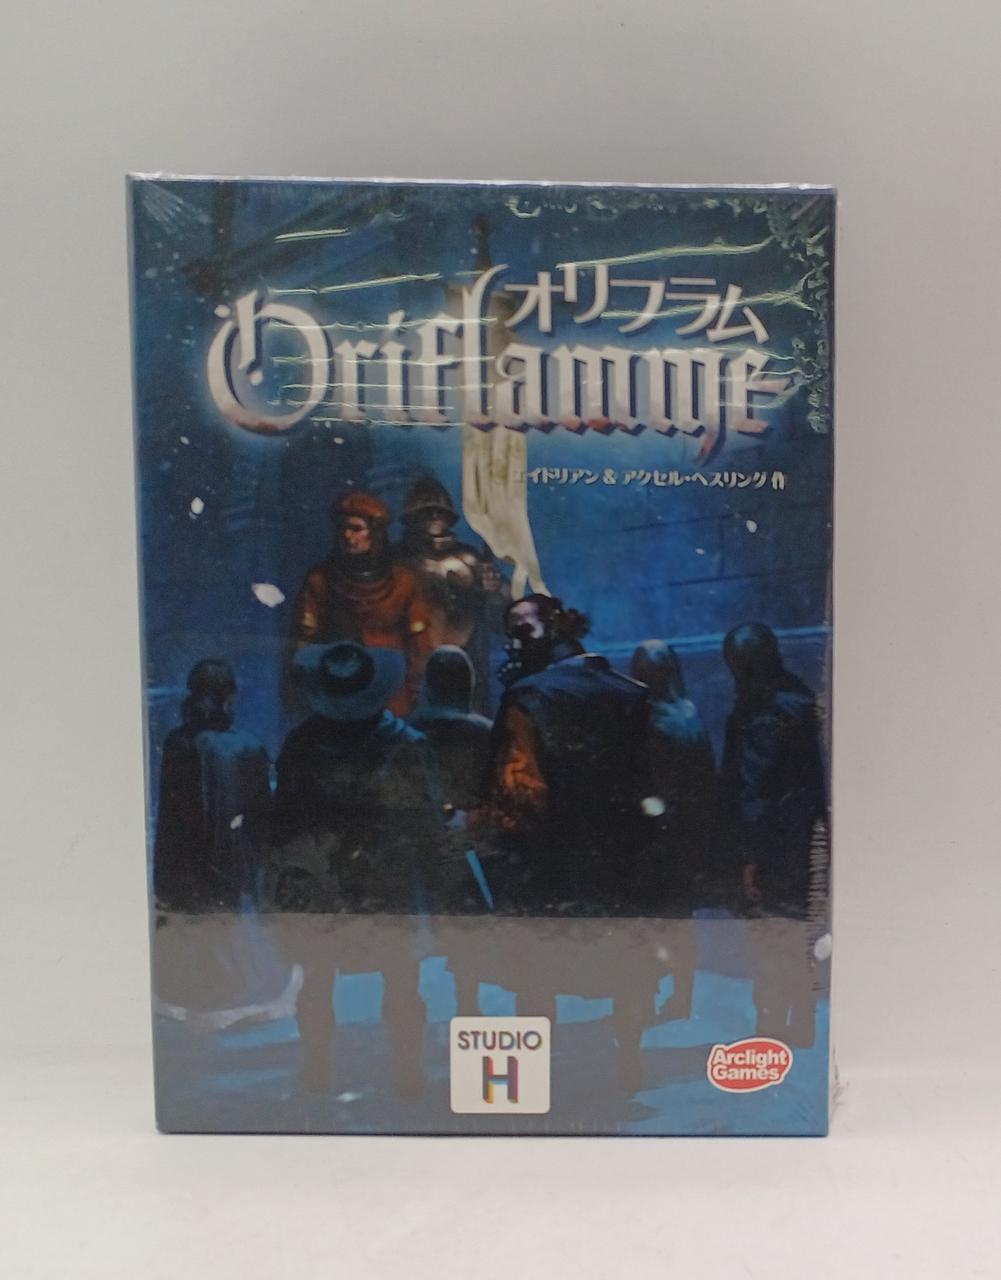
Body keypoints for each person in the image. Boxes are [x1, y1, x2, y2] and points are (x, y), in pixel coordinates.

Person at [478, 594, 658, 1093]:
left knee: (538, 974)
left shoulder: (528, 697)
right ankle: (630, 1063)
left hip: (549, 860)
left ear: (554, 629)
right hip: (619, 857)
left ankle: (534, 1079)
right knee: (625, 965)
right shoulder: (630, 693)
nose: (514, 644)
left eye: (523, 631)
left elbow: (518, 791)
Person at [270, 641, 444, 1096]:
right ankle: (408, 1075)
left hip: (323, 882)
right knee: (401, 982)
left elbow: (283, 822)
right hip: (389, 883)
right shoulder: (406, 744)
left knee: (318, 980)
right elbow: (427, 825)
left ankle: (318, 1073)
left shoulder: (302, 744)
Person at [152, 660, 285, 1015]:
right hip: (235, 865)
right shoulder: (248, 746)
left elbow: (170, 818)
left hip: (185, 863)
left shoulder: (177, 743)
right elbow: (263, 818)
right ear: (231, 696)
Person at [720, 622, 829, 1046]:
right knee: (801, 928)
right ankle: (802, 1019)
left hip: (772, 841)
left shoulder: (759, 714)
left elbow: (754, 787)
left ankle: (770, 1023)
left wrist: (748, 857)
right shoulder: (801, 700)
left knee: (767, 933)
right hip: (808, 832)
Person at [629, 640, 719, 1019]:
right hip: (688, 834)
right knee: (682, 920)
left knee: (647, 920)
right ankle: (683, 996)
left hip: (654, 837)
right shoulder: (690, 713)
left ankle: (646, 996)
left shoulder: (644, 720)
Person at [289, 492, 434, 716]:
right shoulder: (320, 580)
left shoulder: (404, 581)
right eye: (342, 528)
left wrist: (417, 694)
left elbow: (420, 647)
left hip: (392, 696)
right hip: (338, 693)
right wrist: (308, 695)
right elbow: (304, 642)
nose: (347, 536)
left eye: (356, 529)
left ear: (375, 534)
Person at [410, 645, 496, 1010]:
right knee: (468, 935)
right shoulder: (485, 731)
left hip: (419, 843)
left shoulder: (408, 729)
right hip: (470, 846)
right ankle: (467, 1004)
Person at [393, 475, 509, 714]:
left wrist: (495, 592)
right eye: (427, 512)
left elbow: (502, 618)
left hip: (468, 657)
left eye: (439, 512)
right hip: (412, 660)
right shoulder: (395, 560)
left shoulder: (470, 559)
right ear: (412, 517)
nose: (434, 517)